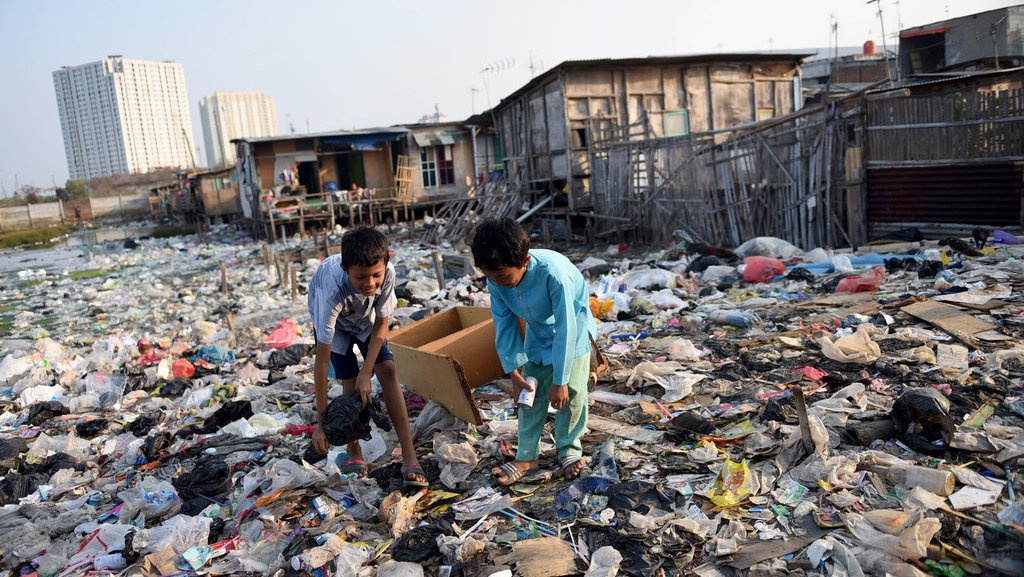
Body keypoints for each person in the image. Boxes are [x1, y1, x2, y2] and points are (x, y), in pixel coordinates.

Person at [471, 217, 597, 485]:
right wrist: (513, 371)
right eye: (490, 277)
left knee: (572, 393)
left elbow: (566, 328)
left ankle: (569, 450)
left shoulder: (554, 275)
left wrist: (561, 381)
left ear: (524, 261)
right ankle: (527, 455)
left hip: (572, 331)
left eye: (503, 276)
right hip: (538, 334)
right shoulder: (495, 279)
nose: (497, 282)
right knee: (529, 395)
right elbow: (503, 323)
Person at [307, 226, 427, 490]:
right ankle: (354, 453)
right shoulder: (331, 292)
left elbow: (383, 322)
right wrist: (322, 424)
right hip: (336, 325)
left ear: (386, 263)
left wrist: (367, 373)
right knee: (350, 385)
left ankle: (410, 456)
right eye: (361, 277)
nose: (370, 283)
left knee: (387, 369)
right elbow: (322, 362)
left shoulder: (388, 275)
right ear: (345, 268)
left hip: (366, 319)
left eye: (376, 275)